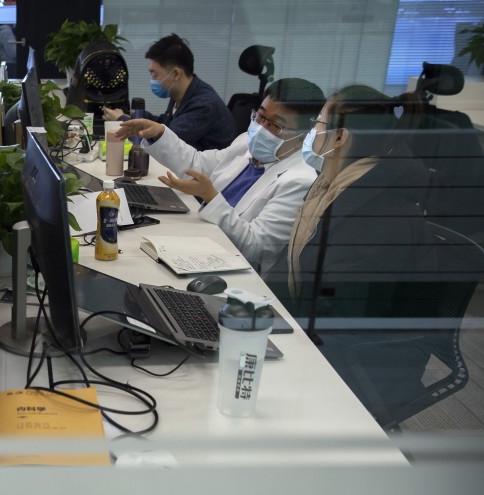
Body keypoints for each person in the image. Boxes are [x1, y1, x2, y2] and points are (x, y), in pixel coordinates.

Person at [265, 86, 441, 425]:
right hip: (327, 337)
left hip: (365, 362)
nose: (312, 132)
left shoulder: (379, 218)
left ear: (340, 137)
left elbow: (339, 320)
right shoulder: (333, 185)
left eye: (318, 123)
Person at [114, 78, 325, 274]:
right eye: (260, 116)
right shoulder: (246, 143)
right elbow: (197, 164)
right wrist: (160, 133)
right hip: (202, 245)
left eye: (275, 125)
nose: (261, 128)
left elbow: (257, 247)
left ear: (304, 134)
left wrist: (211, 197)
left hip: (237, 271)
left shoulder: (299, 180)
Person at [102, 34, 234, 152]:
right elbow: (165, 123)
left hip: (208, 175)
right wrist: (136, 116)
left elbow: (167, 138)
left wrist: (122, 120)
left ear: (175, 74)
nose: (152, 80)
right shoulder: (180, 94)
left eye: (155, 74)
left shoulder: (204, 105)